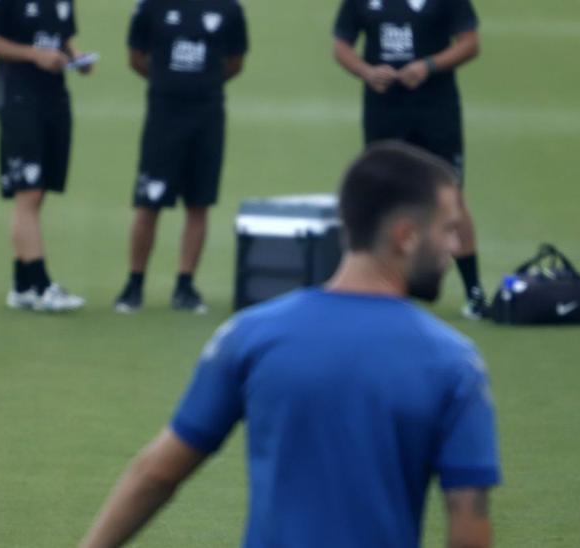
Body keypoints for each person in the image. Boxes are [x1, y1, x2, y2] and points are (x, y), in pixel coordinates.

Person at [82, 141, 500, 547]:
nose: (455, 247)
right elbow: (468, 532)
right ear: (406, 235)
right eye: (448, 228)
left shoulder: (251, 335)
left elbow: (157, 475)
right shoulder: (452, 362)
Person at [332, 0, 489, 318]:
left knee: (451, 194)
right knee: (382, 198)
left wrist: (427, 66)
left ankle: (473, 290)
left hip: (435, 110)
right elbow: (341, 45)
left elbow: (470, 44)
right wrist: (367, 71)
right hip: (384, 111)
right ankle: (376, 285)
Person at [112, 0, 249, 314]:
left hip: (207, 116)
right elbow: (135, 57)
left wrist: (203, 84)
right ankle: (134, 283)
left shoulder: (229, 8)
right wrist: (167, 82)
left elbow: (236, 62)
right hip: (163, 116)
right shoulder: (151, 6)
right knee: (149, 202)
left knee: (198, 202)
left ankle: (185, 284)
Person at [0, 0, 90, 312]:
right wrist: (34, 55)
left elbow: (61, 37)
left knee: (38, 194)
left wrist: (75, 56)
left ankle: (22, 285)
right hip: (19, 102)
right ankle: (41, 286)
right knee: (29, 192)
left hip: (55, 100)